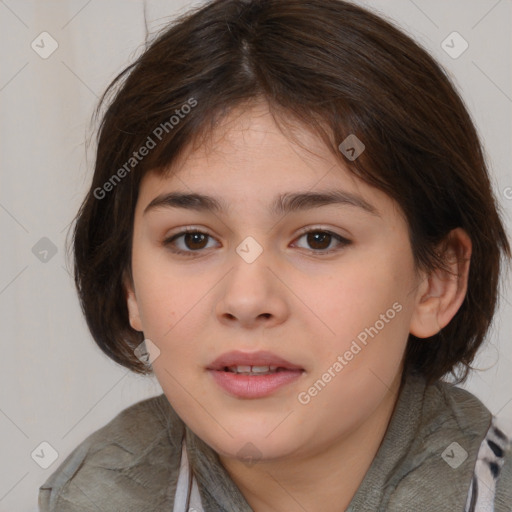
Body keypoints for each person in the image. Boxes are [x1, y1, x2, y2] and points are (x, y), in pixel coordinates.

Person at [38, 0, 512, 510]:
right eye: (192, 239)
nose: (246, 299)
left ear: (436, 280)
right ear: (129, 282)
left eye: (319, 239)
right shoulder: (93, 493)